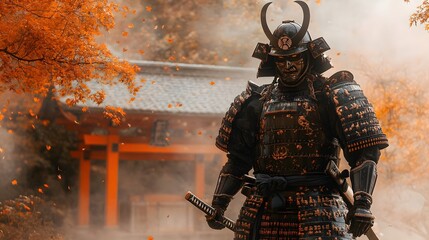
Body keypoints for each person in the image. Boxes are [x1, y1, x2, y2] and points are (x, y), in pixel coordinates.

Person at [206, 1, 388, 240]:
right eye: (281, 59)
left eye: (295, 57)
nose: (288, 65)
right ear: (272, 61)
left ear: (309, 56)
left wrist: (363, 204)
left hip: (319, 209)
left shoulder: (332, 94)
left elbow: (365, 152)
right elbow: (238, 160)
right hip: (263, 209)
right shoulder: (255, 101)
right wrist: (219, 203)